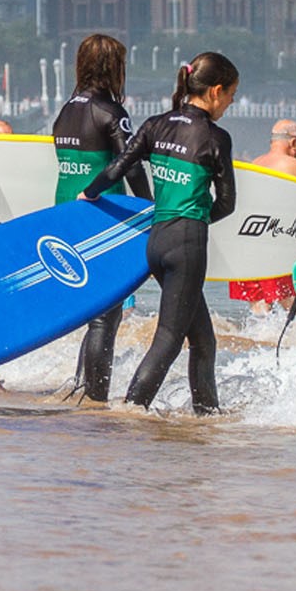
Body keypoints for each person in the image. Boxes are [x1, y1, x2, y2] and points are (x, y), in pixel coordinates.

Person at [82, 52, 239, 415]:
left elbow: (118, 167)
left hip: (155, 243)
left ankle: (207, 413)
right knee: (168, 340)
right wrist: (194, 221)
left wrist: (89, 193)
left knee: (203, 340)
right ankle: (131, 411)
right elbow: (227, 203)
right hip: (186, 243)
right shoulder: (215, 137)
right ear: (215, 91)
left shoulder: (156, 124)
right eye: (231, 94)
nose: (231, 102)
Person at [53, 33, 152, 403]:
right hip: (104, 216)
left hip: (66, 212)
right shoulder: (110, 112)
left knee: (95, 308)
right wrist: (149, 208)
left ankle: (82, 385)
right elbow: (131, 166)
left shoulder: (66, 110)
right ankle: (95, 399)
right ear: (113, 67)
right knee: (105, 316)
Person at [228, 119, 296, 315]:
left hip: (245, 246)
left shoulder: (255, 164)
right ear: (293, 142)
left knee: (261, 315)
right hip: (274, 246)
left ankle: (260, 345)